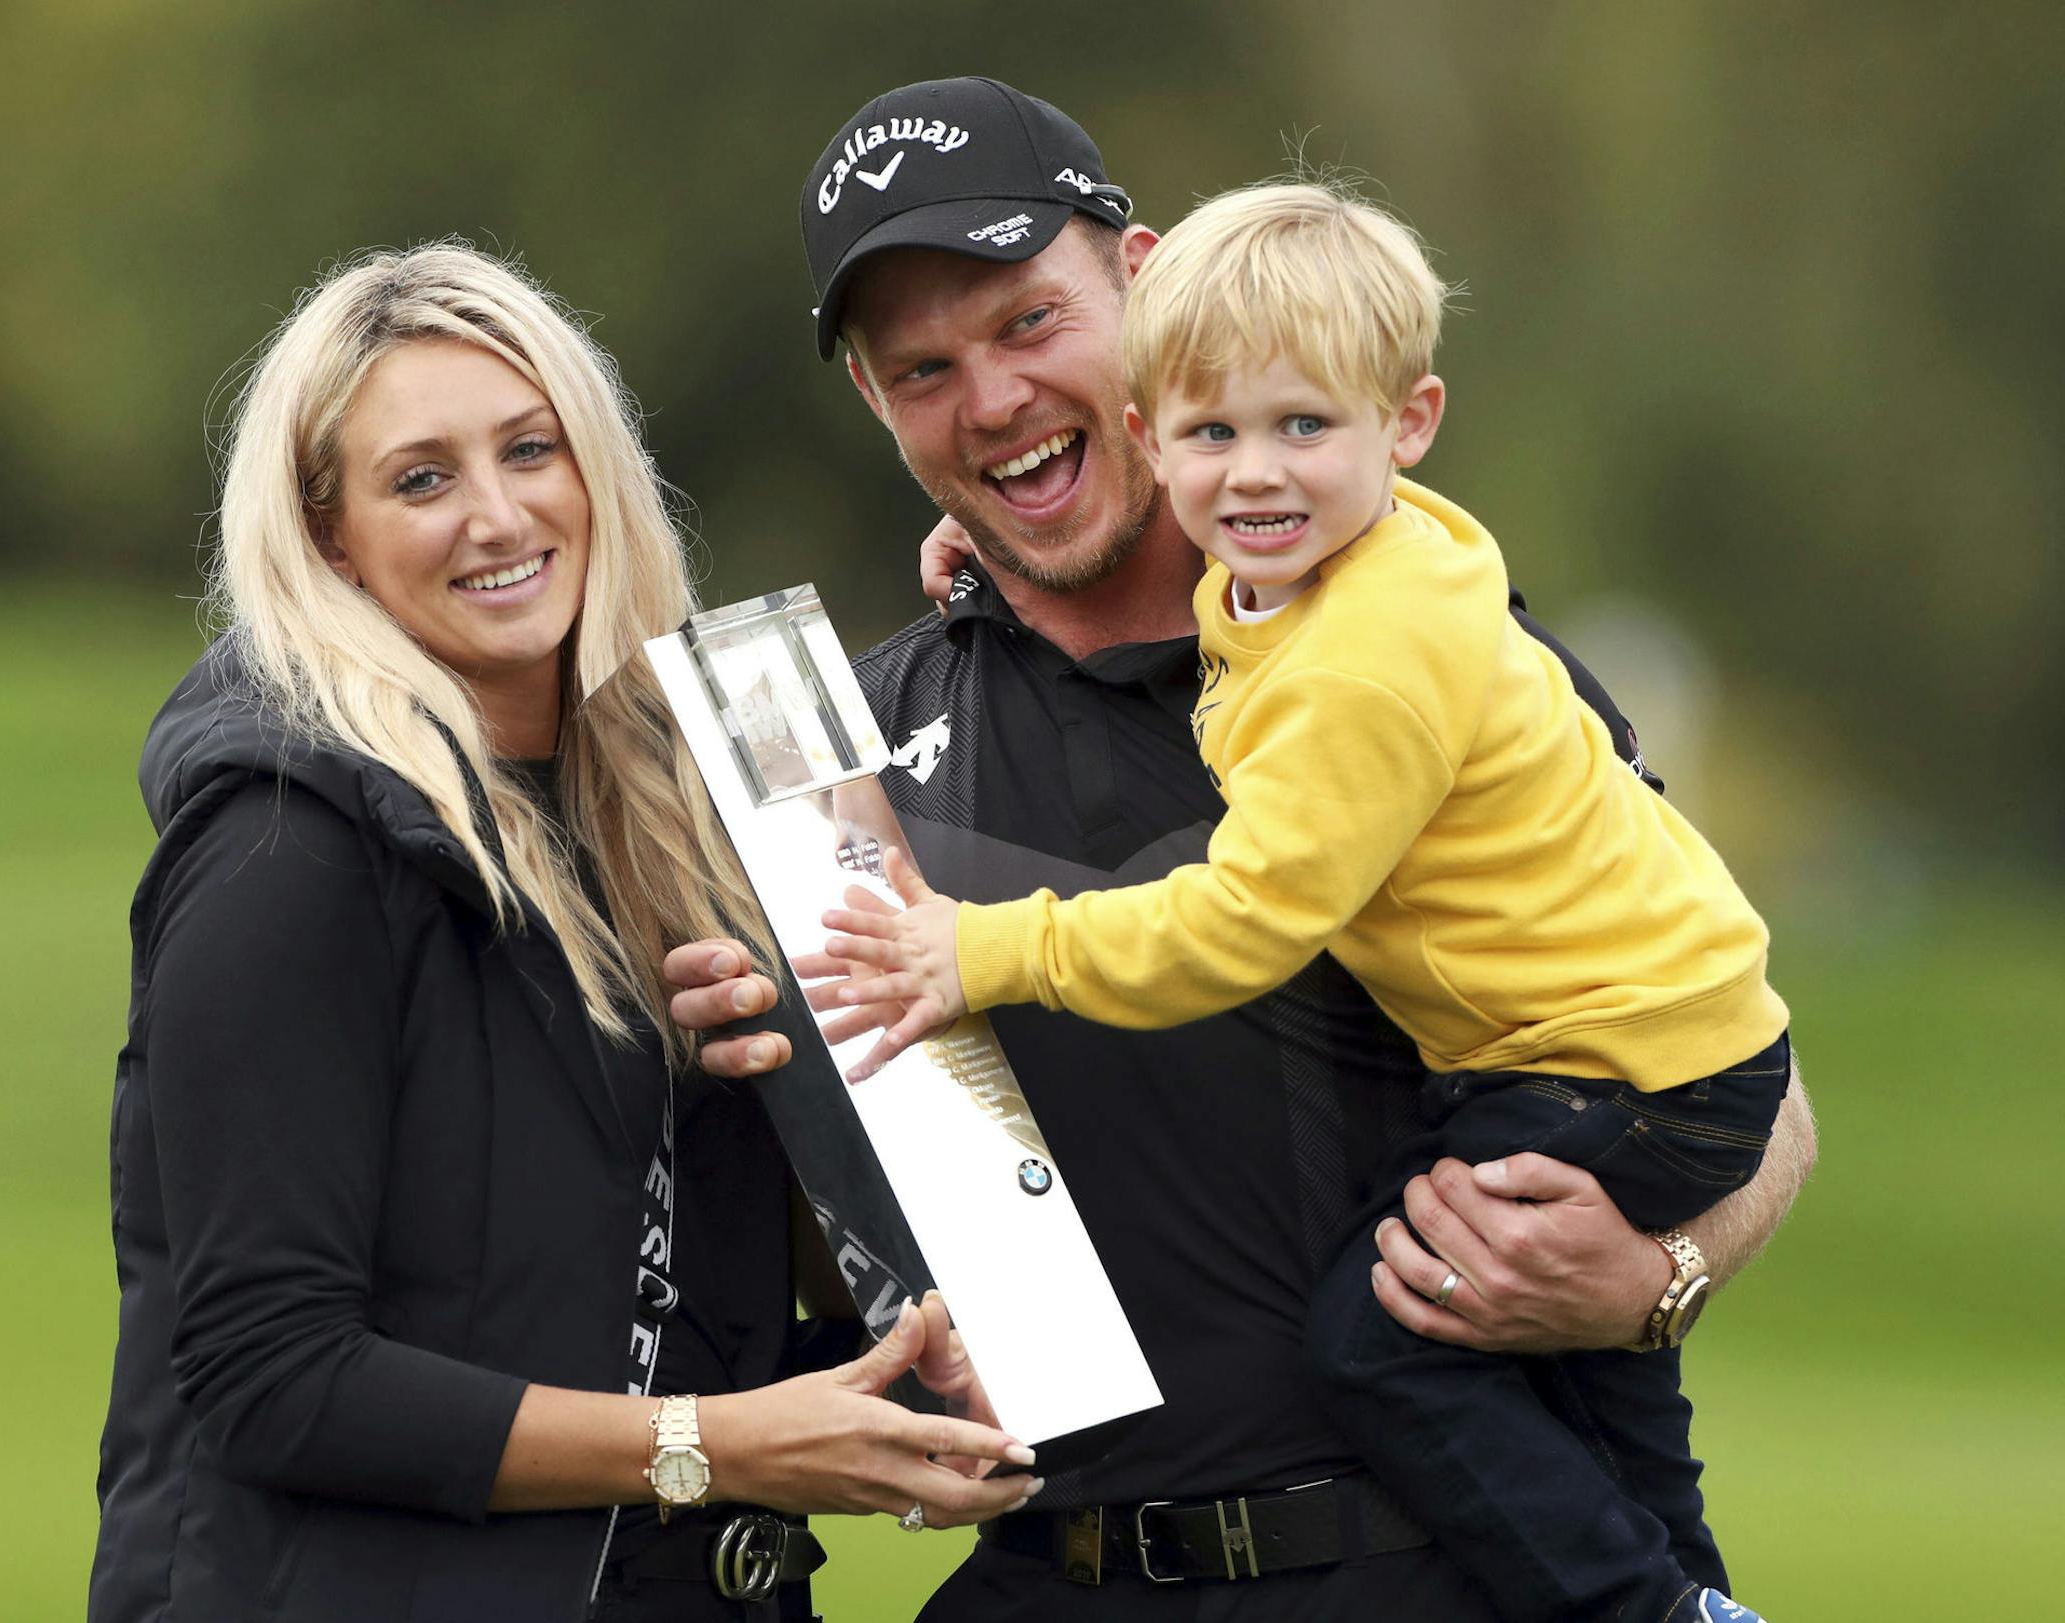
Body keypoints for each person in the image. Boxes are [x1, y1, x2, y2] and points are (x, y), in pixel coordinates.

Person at [673, 77, 1817, 1620]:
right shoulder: (835, 759)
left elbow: (1740, 1064)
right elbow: (836, 1239)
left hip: (1432, 1568)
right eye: (923, 369)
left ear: (1145, 282)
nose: (993, 399)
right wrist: (770, 1113)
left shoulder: (1418, 650)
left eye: (1028, 324)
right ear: (878, 407)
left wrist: (1654, 1276)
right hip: (1055, 1573)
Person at [87, 242, 1041, 1623]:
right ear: (329, 533)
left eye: (530, 449)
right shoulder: (283, 846)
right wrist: (713, 1448)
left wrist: (798, 1136)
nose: (496, 514)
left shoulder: (694, 793)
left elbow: (644, 1289)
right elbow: (269, 1379)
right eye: (422, 478)